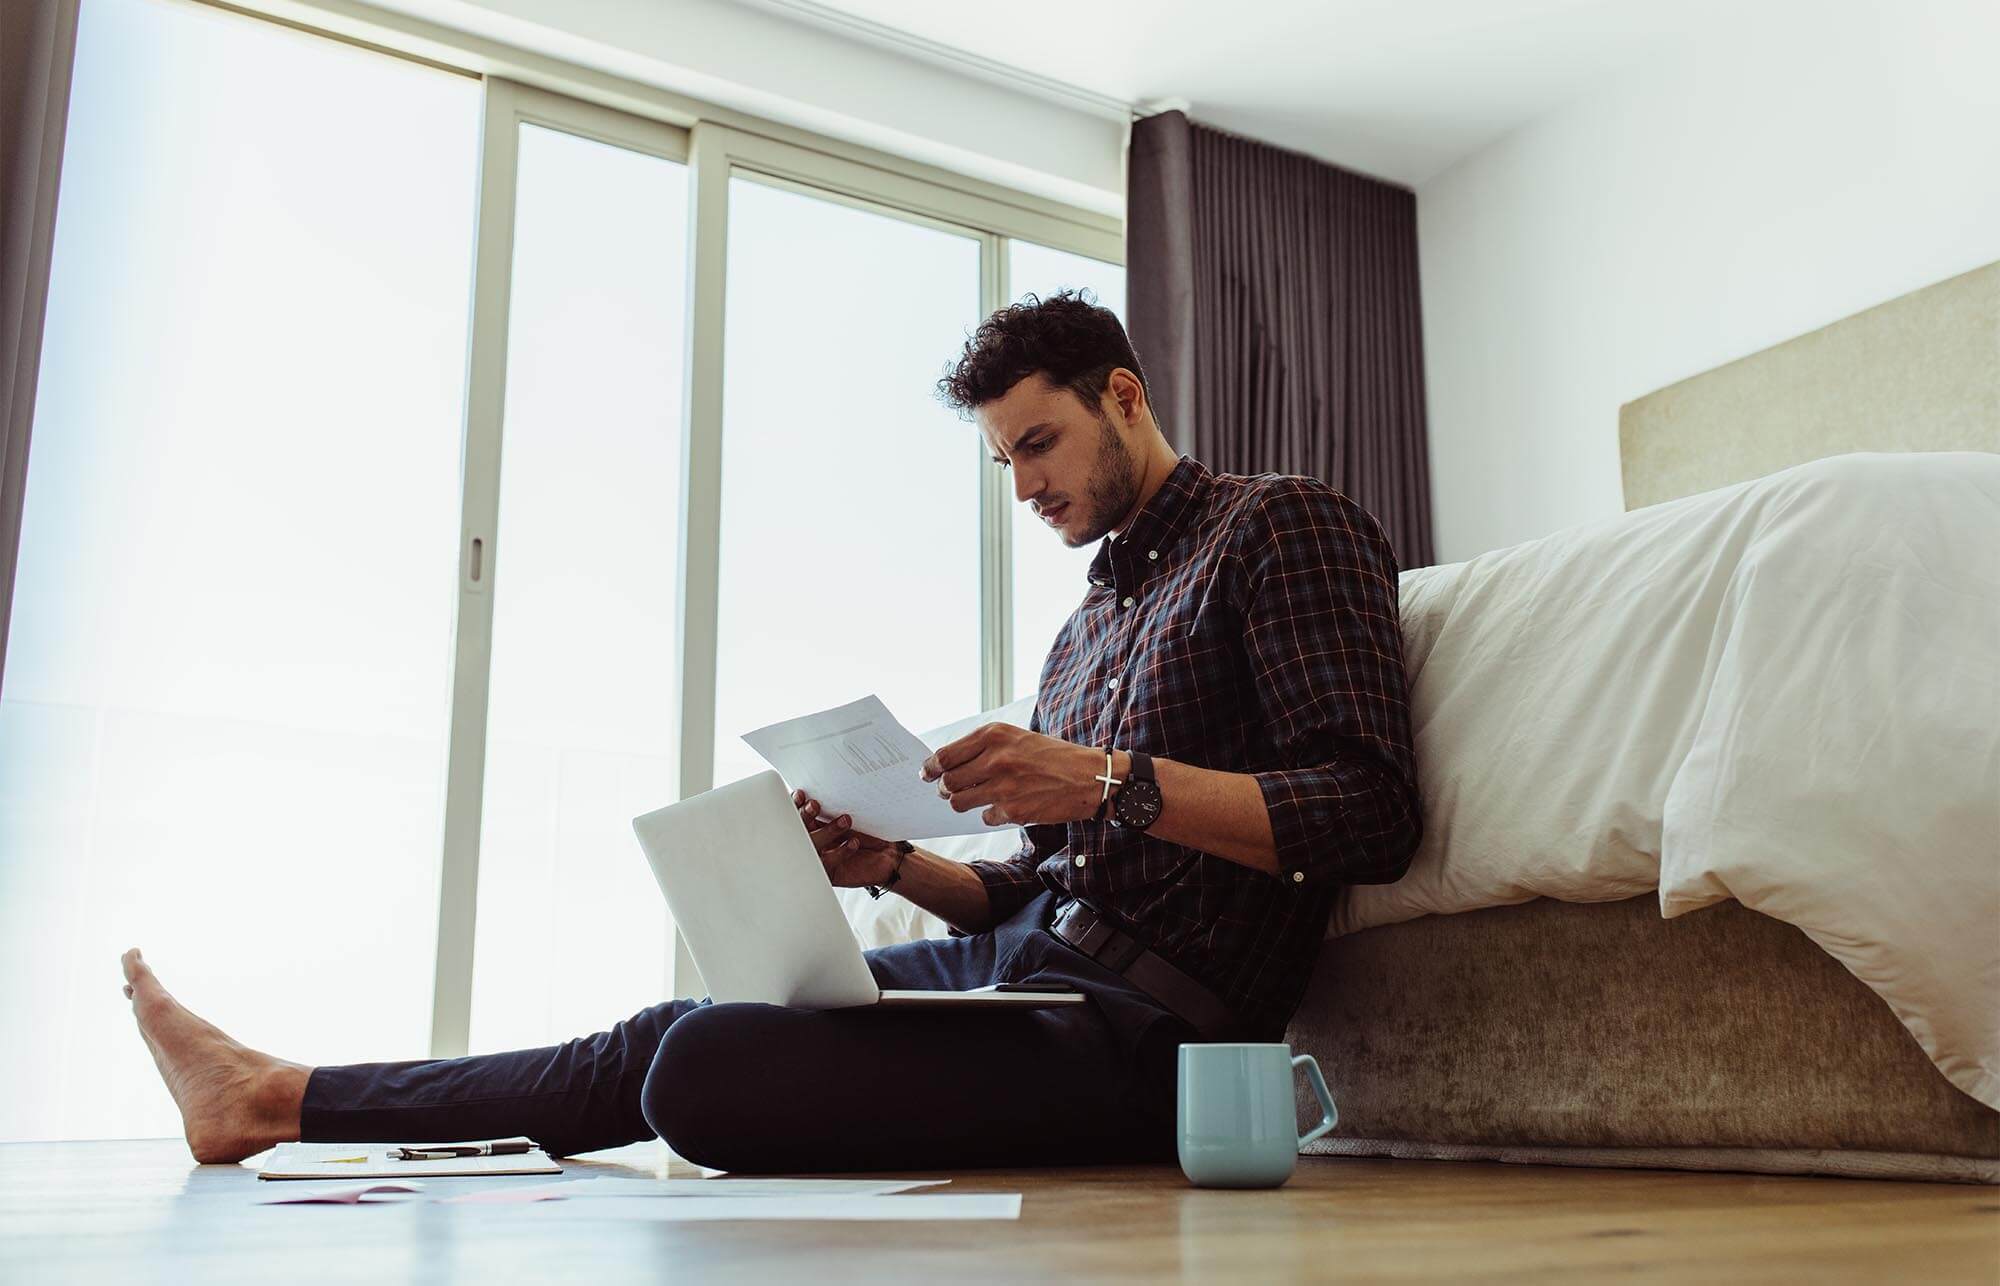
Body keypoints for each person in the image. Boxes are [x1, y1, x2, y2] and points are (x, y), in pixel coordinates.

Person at [122, 291, 1421, 1172]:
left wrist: (1101, 777)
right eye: (1004, 462)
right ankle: (276, 1096)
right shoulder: (1082, 633)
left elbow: (1370, 810)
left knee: (699, 1067)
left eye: (1040, 443)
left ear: (1124, 396)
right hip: (1029, 968)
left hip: (1156, 1034)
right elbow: (1038, 882)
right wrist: (893, 865)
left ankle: (278, 1097)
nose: (1024, 485)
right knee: (665, 1028)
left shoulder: (1280, 527)